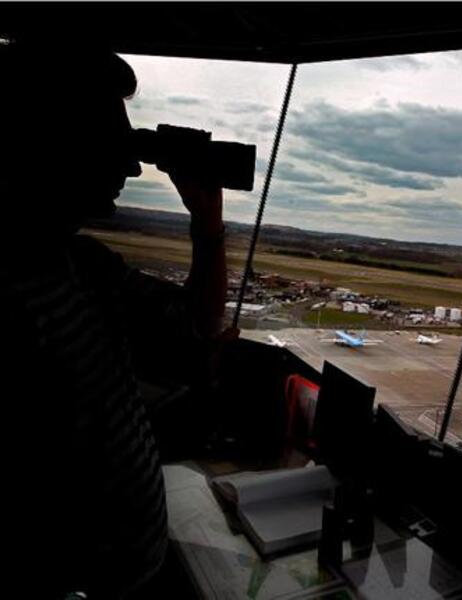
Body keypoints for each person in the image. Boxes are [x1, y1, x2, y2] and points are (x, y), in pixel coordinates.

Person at [0, 40, 228, 598]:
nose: (131, 163)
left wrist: (207, 222)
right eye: (110, 141)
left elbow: (196, 324)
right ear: (45, 141)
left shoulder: (83, 263)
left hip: (128, 571)